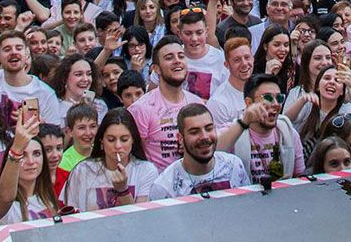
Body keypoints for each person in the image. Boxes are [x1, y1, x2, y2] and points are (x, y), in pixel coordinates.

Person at [60, 108, 158, 211]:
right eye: (111, 140)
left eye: (124, 139)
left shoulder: (146, 171)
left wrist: (123, 191)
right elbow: (71, 215)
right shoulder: (82, 170)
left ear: (133, 140)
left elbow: (140, 219)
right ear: (101, 141)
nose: (118, 146)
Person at [128, 37, 203, 171]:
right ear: (156, 69)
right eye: (169, 58)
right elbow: (134, 157)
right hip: (158, 185)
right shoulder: (141, 108)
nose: (177, 61)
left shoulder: (197, 103)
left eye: (181, 56)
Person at [217, 74, 305, 185]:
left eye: (279, 98)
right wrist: (244, 122)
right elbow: (213, 152)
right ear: (249, 103)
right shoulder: (234, 131)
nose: (275, 104)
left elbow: (300, 177)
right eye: (267, 98)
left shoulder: (288, 132)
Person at [149, 104, 249, 199]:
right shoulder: (164, 187)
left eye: (209, 129)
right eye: (194, 132)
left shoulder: (234, 166)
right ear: (180, 138)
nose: (204, 137)